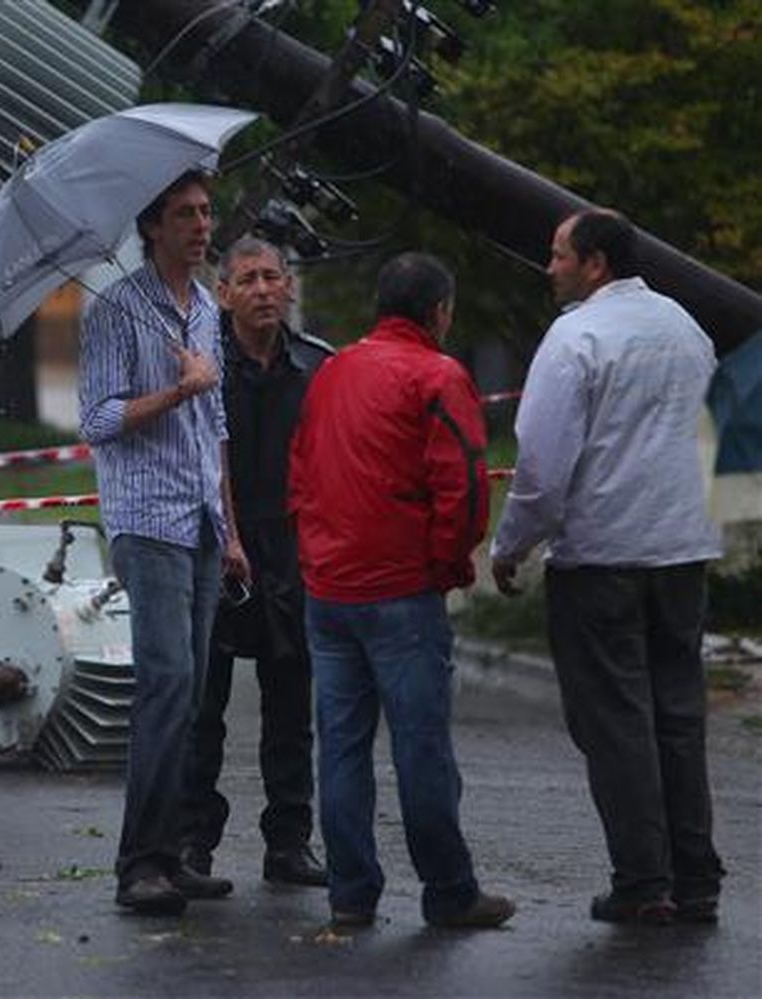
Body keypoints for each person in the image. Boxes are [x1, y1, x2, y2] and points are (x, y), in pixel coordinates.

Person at [490, 209, 725, 926]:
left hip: (602, 558)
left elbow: (543, 465)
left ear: (594, 263)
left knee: (616, 721)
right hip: (683, 550)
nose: (549, 266)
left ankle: (642, 879)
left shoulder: (576, 337)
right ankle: (696, 876)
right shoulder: (688, 328)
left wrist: (511, 543)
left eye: (559, 255)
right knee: (678, 716)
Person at [289, 251, 515, 929]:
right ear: (439, 311)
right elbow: (465, 487)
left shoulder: (331, 371)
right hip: (400, 589)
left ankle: (351, 893)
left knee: (341, 747)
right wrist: (449, 566)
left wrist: (315, 556)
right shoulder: (439, 375)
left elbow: (300, 471)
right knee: (421, 746)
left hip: (329, 589)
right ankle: (449, 890)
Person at [78, 170, 235, 916]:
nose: (201, 226)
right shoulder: (117, 309)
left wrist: (231, 530)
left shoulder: (207, 306)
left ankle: (172, 854)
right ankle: (139, 861)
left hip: (202, 522)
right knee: (166, 684)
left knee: (193, 693)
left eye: (206, 212)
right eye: (185, 215)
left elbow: (219, 431)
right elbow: (99, 419)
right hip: (147, 521)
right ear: (152, 228)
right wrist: (180, 389)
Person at [178, 237, 330, 888]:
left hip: (294, 555)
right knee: (200, 709)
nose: (264, 288)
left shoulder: (318, 367)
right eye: (248, 278)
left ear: (289, 286)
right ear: (224, 293)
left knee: (292, 706)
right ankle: (191, 843)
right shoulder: (201, 364)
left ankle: (289, 842)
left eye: (273, 276)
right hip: (216, 546)